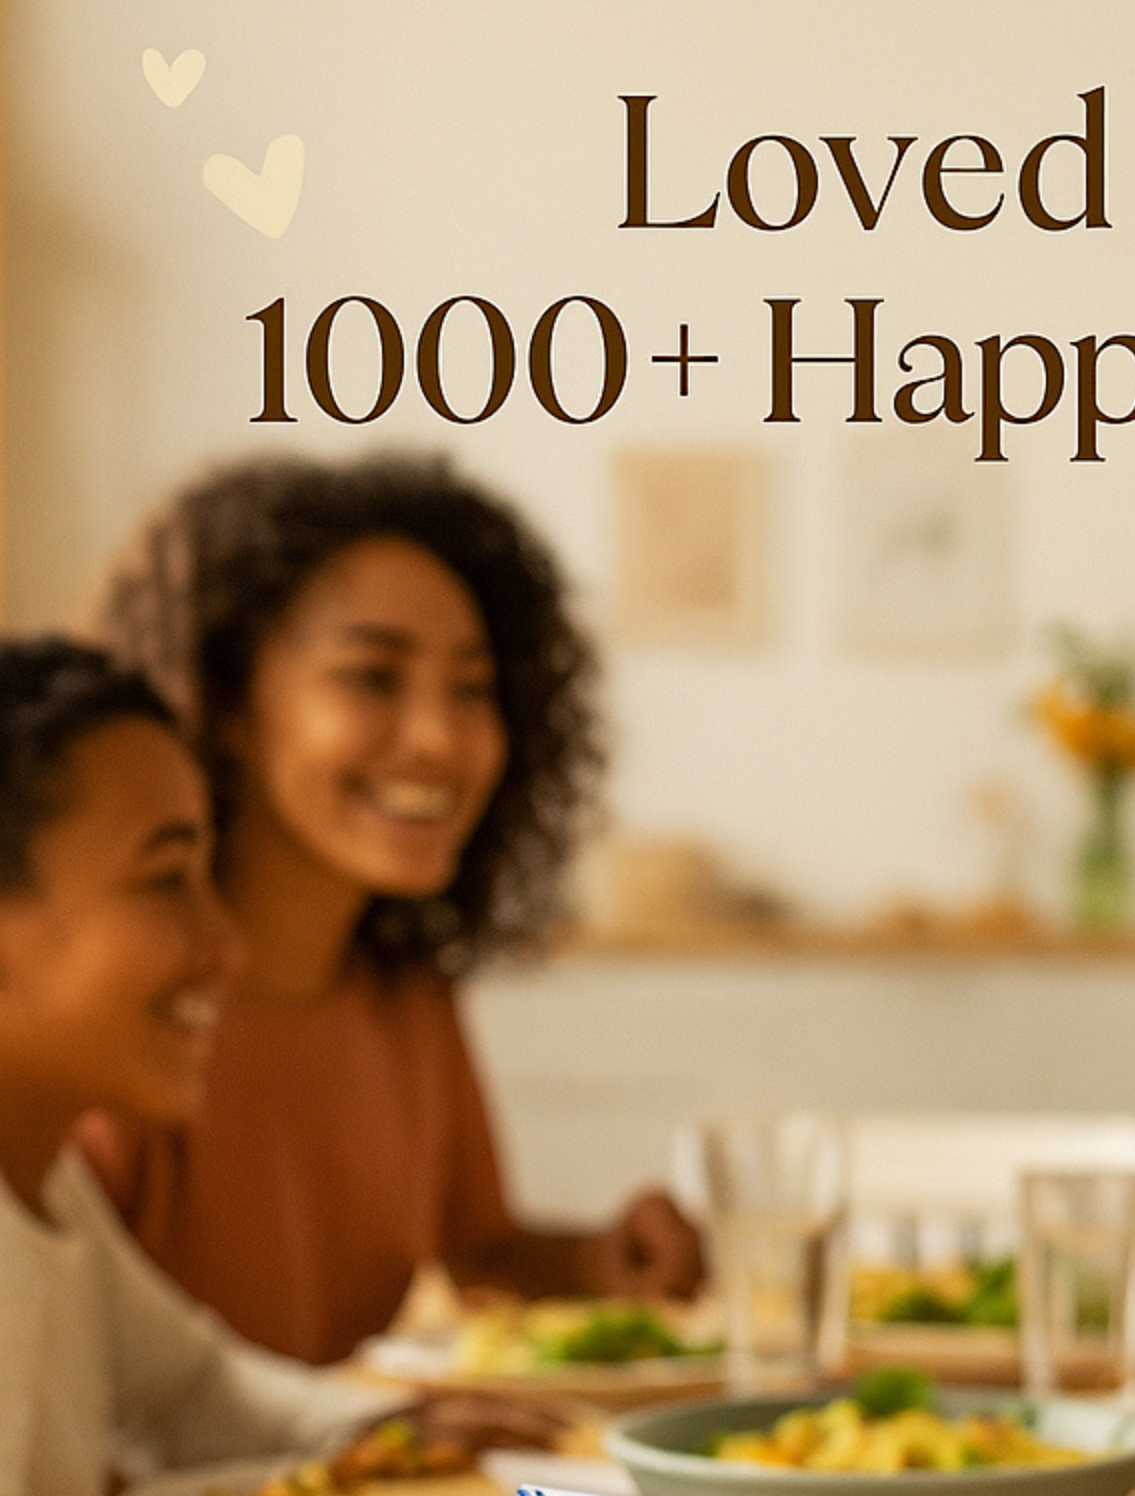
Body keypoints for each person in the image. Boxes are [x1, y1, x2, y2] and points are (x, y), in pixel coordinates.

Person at [77, 455, 704, 1363]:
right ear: (224, 706)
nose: (442, 739)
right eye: (372, 677)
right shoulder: (122, 1006)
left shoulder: (405, 994)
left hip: (337, 1488)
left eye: (473, 689)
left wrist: (605, 1258)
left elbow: (479, 1252)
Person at [0, 638, 528, 1496]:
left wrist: (376, 1427)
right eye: (166, 880)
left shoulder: (43, 1176)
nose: (222, 944)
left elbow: (188, 1383)